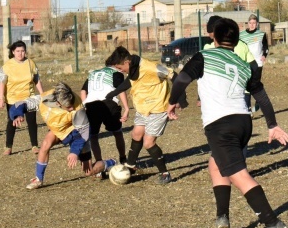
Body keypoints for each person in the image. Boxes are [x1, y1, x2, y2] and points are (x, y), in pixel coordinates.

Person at [168, 18, 288, 228]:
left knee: (238, 175)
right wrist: (272, 124)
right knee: (216, 166)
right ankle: (222, 217)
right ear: (236, 40)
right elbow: (261, 95)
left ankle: (272, 223)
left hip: (220, 124)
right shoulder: (243, 63)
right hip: (243, 122)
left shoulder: (204, 56)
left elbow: (182, 79)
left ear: (213, 37)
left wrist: (171, 102)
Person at [9, 83, 117, 190]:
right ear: (58, 103)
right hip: (59, 130)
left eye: (72, 105)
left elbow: (83, 133)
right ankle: (38, 179)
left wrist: (74, 152)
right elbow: (21, 103)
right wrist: (17, 114)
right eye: (68, 107)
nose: (71, 109)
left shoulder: (78, 108)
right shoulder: (44, 99)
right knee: (45, 144)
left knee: (89, 172)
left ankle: (111, 162)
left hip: (76, 134)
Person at [105, 46, 173, 184]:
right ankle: (130, 166)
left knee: (148, 143)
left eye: (119, 67)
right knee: (136, 134)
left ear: (127, 62)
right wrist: (113, 93)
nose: (119, 71)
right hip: (143, 108)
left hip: (157, 109)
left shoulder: (150, 67)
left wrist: (178, 99)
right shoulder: (134, 69)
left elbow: (173, 75)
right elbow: (129, 81)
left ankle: (165, 173)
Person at [0, 40, 44, 155]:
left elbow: (36, 79)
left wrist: (43, 94)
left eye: (23, 51)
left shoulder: (30, 63)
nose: (20, 53)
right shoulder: (7, 66)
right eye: (18, 51)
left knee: (32, 121)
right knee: (12, 122)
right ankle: (8, 147)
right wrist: (1, 98)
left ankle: (34, 145)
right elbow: (2, 83)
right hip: (13, 99)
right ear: (13, 52)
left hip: (29, 98)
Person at [81, 65, 130, 165]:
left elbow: (83, 91)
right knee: (117, 132)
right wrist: (126, 107)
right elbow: (121, 89)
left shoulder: (92, 73)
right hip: (109, 103)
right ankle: (123, 158)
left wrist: (84, 104)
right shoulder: (116, 72)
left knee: (93, 136)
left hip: (91, 104)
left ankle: (99, 161)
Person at [239, 14, 268, 112]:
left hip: (258, 63)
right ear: (247, 23)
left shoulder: (261, 34)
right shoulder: (241, 35)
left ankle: (258, 101)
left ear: (257, 24)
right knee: (247, 85)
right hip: (246, 63)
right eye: (250, 23)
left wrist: (264, 55)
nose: (252, 25)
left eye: (254, 23)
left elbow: (266, 47)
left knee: (255, 83)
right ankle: (248, 109)